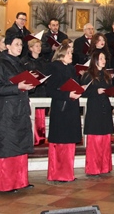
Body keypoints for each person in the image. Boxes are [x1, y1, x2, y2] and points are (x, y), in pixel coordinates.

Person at [0, 34, 35, 193]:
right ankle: (7, 184)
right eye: (16, 44)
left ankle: (21, 181)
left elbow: (24, 84)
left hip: (21, 109)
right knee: (9, 146)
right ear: (8, 46)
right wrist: (17, 87)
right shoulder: (0, 63)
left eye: (21, 45)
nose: (20, 47)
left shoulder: (20, 64)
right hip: (8, 111)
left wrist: (31, 84)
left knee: (21, 145)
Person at [46, 41, 83, 182]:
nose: (71, 55)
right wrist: (68, 95)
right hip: (61, 109)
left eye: (71, 53)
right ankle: (58, 173)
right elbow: (50, 90)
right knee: (61, 143)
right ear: (61, 54)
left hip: (71, 108)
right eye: (68, 53)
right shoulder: (54, 67)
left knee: (69, 142)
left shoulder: (71, 69)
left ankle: (68, 173)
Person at [81, 50, 114, 176]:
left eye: (104, 58)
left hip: (105, 107)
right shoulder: (88, 75)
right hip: (94, 108)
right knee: (95, 140)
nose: (103, 61)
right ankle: (93, 168)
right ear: (94, 60)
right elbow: (83, 91)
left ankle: (105, 166)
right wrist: (96, 91)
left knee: (105, 139)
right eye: (101, 58)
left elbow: (109, 88)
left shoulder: (106, 74)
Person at [21, 38, 48, 146]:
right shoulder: (24, 61)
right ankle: (31, 137)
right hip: (31, 91)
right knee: (31, 115)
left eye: (40, 46)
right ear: (31, 48)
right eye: (36, 46)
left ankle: (40, 137)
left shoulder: (44, 61)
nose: (39, 48)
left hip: (42, 90)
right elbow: (22, 75)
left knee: (41, 115)